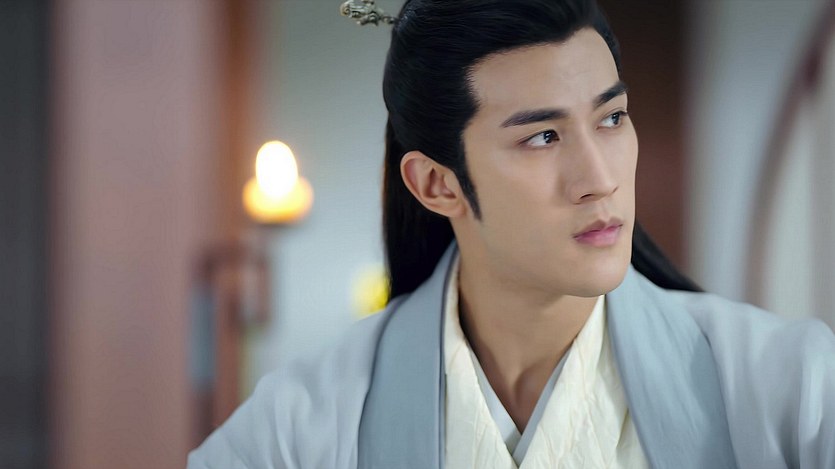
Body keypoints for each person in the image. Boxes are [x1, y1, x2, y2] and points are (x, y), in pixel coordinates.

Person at [187, 1, 835, 468]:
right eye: (543, 136)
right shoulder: (301, 425)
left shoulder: (791, 387)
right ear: (437, 184)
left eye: (611, 118)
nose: (599, 179)